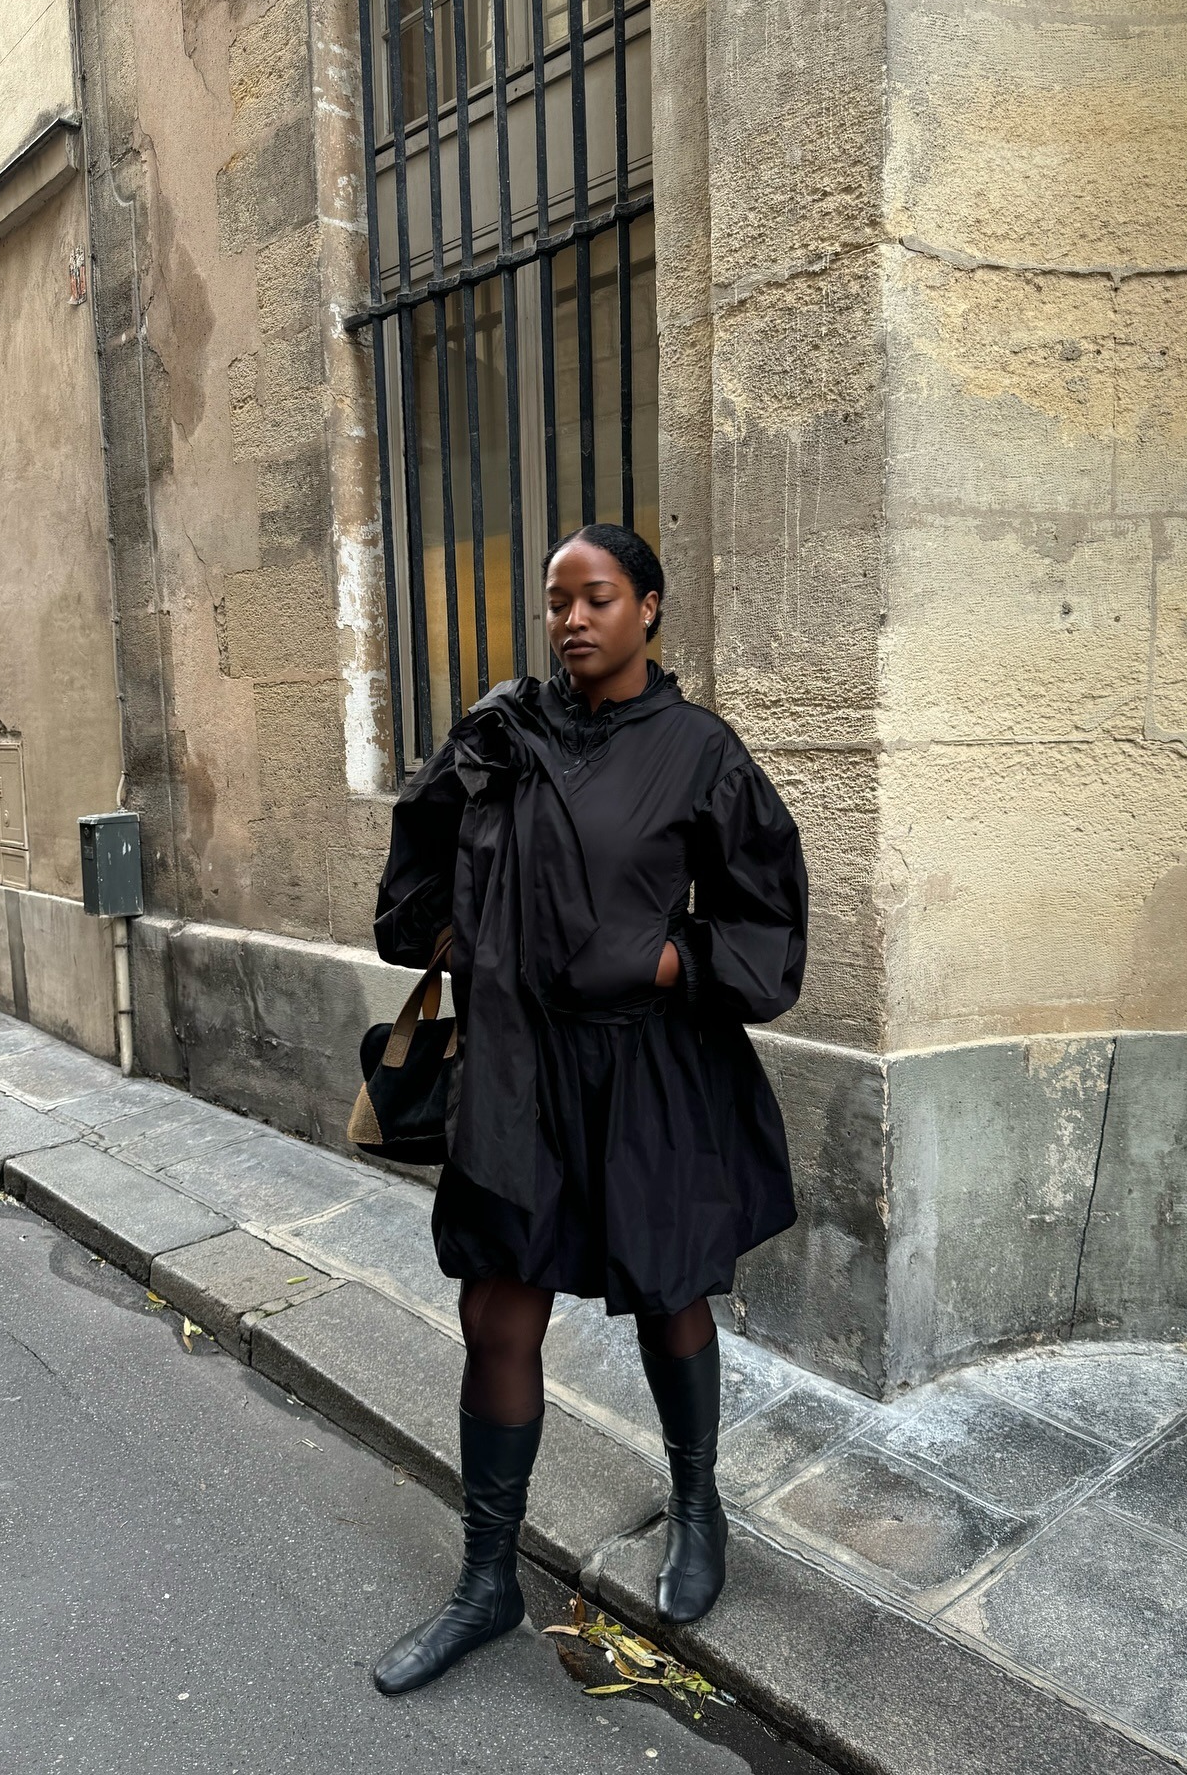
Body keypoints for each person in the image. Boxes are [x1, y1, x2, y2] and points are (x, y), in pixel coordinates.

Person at [370, 522, 808, 1695]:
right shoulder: (497, 731)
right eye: (558, 600)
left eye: (597, 596)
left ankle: (701, 1508)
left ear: (650, 610)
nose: (570, 618)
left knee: (671, 1302)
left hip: (648, 1078)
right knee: (495, 1319)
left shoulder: (700, 753)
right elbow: (410, 881)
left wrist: (667, 964)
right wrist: (463, 934)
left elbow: (769, 928)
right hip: (515, 1077)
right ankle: (485, 1581)